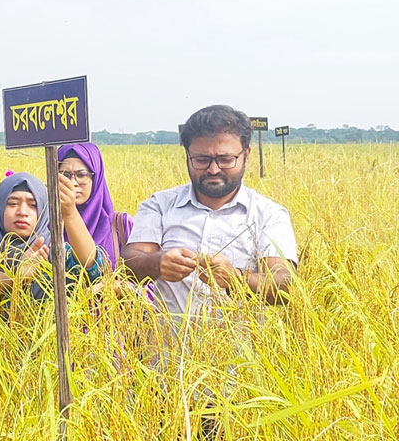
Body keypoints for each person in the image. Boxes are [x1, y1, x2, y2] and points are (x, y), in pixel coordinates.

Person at [122, 104, 297, 316]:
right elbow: (129, 262)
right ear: (187, 156)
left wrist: (235, 278)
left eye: (225, 159)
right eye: (202, 160)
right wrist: (157, 262)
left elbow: (284, 284)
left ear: (246, 154)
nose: (213, 170)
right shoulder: (159, 205)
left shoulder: (269, 214)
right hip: (167, 347)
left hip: (242, 346)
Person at [0, 171, 104, 305]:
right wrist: (16, 277)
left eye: (33, 205)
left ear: (43, 211)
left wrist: (70, 212)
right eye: (13, 203)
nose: (22, 212)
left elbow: (93, 269)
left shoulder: (55, 253)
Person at [56, 142, 134, 268]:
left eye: (81, 175)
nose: (72, 183)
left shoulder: (122, 226)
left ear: (96, 177)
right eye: (65, 175)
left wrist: (117, 286)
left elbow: (150, 282)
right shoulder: (49, 226)